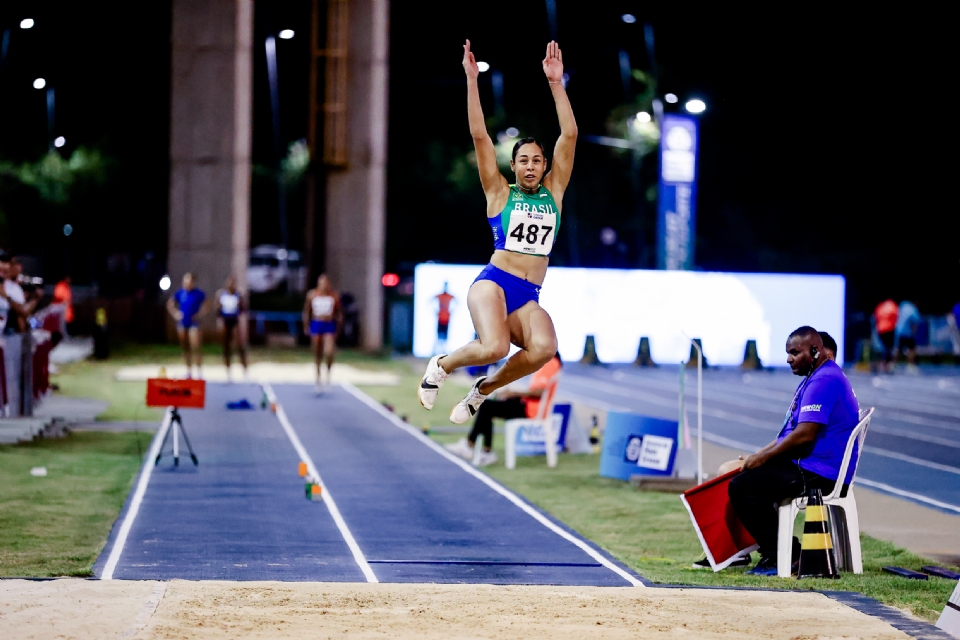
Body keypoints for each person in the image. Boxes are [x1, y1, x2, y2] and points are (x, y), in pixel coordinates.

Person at [417, 40, 577, 424]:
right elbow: (479, 136)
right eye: (523, 159)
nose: (531, 165)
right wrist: (472, 80)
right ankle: (442, 364)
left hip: (528, 293)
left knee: (543, 348)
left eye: (538, 160)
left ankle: (483, 391)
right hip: (494, 282)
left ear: (544, 166)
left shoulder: (554, 193)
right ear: (514, 164)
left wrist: (556, 84)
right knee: (494, 345)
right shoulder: (498, 192)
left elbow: (568, 136)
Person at [725, 326, 859, 576]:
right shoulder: (818, 376)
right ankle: (782, 552)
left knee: (743, 488)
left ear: (816, 350)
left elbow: (805, 435)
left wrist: (763, 458)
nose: (788, 359)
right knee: (746, 479)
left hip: (821, 471)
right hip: (813, 464)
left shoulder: (824, 380)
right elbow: (790, 433)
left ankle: (785, 556)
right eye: (788, 353)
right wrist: (759, 456)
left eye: (795, 353)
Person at [445, 351, 562, 467]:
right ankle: (481, 449)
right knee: (488, 406)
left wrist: (515, 393)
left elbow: (539, 392)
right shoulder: (547, 363)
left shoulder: (550, 363)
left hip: (531, 410)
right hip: (528, 405)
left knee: (487, 407)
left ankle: (473, 446)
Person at [302, 274, 341, 391]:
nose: (323, 285)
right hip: (316, 323)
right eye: (321, 283)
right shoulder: (312, 295)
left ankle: (328, 375)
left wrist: (338, 325)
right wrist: (306, 325)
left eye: (325, 283)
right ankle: (318, 379)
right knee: (317, 352)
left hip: (329, 324)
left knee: (329, 352)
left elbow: (339, 312)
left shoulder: (334, 296)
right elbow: (307, 311)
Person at [166, 273, 207, 378]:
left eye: (189, 281)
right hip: (183, 323)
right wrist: (176, 314)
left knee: (196, 346)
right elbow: (170, 304)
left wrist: (199, 314)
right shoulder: (180, 293)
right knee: (185, 347)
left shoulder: (198, 294)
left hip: (194, 323)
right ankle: (188, 371)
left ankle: (199, 372)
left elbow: (207, 304)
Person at [216, 276, 248, 380]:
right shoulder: (221, 294)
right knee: (226, 347)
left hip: (234, 320)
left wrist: (240, 305)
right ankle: (228, 371)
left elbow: (243, 309)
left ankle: (244, 370)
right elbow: (217, 310)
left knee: (240, 346)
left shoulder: (238, 295)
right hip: (226, 320)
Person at [895, 300, 921, 372]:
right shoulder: (914, 310)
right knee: (912, 349)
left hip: (899, 331)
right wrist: (914, 333)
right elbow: (915, 322)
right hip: (908, 333)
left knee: (899, 349)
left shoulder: (904, 306)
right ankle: (910, 366)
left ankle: (894, 365)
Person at [873, 299, 898, 373]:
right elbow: (896, 317)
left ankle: (883, 364)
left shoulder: (880, 307)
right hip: (889, 329)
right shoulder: (892, 305)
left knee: (884, 347)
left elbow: (876, 317)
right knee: (889, 347)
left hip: (881, 329)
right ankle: (885, 365)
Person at [433, 283, 456, 356]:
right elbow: (430, 300)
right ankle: (437, 352)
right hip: (440, 318)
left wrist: (452, 311)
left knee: (445, 337)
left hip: (446, 319)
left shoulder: (450, 296)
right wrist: (435, 311)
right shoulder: (440, 296)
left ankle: (444, 351)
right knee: (438, 336)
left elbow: (457, 302)